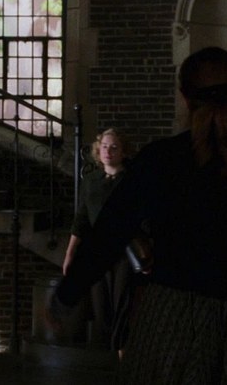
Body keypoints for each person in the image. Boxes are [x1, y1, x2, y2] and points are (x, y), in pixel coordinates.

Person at [50, 46, 227, 384]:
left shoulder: (160, 159)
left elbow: (107, 235)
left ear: (184, 98)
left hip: (170, 319)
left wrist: (66, 296)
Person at [62, 127, 137, 358]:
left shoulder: (132, 180)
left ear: (123, 151)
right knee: (101, 307)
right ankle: (111, 353)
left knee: (122, 303)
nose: (108, 151)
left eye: (114, 147)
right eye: (104, 146)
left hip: (124, 251)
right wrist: (70, 254)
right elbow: (81, 219)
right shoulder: (91, 181)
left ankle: (123, 353)